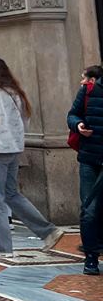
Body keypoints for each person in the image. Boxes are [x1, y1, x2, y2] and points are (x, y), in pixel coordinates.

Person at [0, 58, 64, 258]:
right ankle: (48, 231)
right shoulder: (16, 94)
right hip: (13, 148)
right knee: (11, 194)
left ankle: (2, 246)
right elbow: (24, 124)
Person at [67, 64, 103, 274]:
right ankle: (91, 257)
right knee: (89, 209)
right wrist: (78, 125)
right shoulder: (88, 91)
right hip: (90, 158)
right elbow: (72, 115)